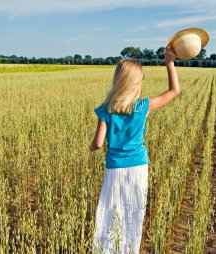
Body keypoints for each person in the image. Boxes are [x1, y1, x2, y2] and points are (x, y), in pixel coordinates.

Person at [90, 47, 180, 254]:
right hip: (139, 167)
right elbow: (174, 91)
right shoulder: (142, 106)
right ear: (137, 84)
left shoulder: (106, 109)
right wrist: (169, 62)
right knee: (133, 211)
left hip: (115, 169)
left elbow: (97, 143)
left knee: (111, 211)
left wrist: (91, 147)